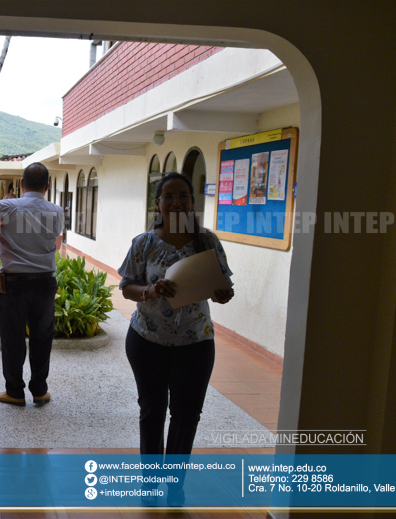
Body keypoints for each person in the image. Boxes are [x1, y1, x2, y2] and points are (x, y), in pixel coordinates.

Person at [118, 172, 234, 506]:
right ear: (158, 204)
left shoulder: (207, 241)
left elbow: (223, 286)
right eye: (168, 196)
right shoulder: (144, 243)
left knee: (186, 416)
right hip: (147, 341)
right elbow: (126, 286)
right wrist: (150, 290)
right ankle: (151, 484)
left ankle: (175, 485)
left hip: (196, 344)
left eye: (183, 195)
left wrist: (223, 294)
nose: (176, 202)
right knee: (152, 411)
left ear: (192, 202)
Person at [0, 163, 63, 407]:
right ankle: (40, 391)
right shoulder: (57, 211)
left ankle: (14, 391)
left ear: (21, 184)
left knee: (13, 338)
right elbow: (55, 241)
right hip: (45, 282)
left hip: (13, 284)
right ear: (47, 186)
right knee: (42, 337)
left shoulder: (6, 207)